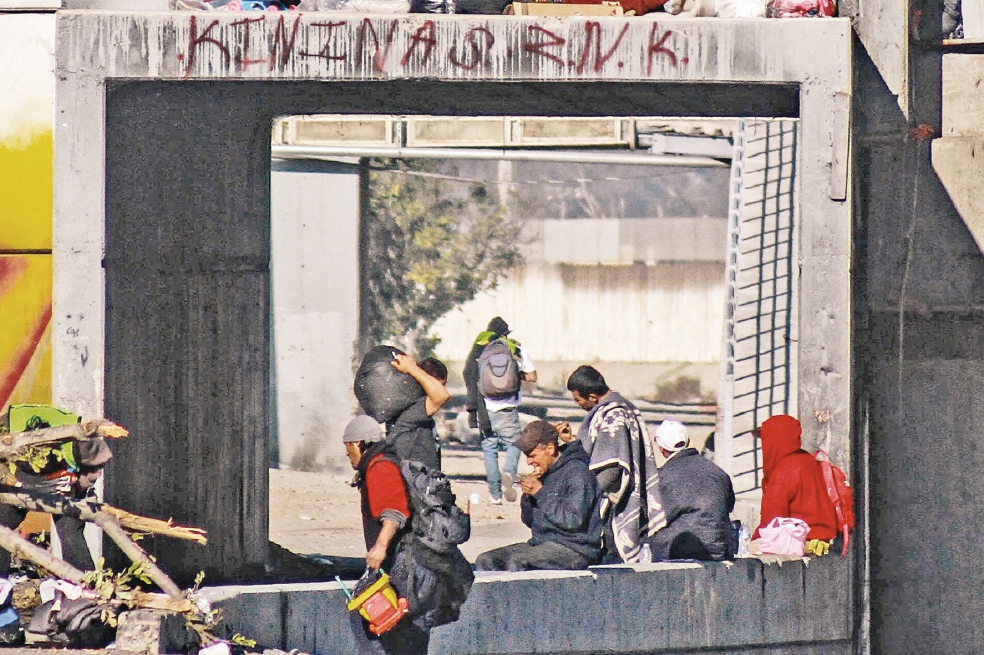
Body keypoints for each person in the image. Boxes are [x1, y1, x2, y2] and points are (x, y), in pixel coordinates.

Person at [0, 437, 114, 645]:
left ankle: (87, 607)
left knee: (68, 531)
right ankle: (87, 605)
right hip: (35, 469)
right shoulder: (48, 451)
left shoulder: (71, 452)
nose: (98, 477)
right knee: (5, 529)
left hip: (45, 468)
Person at [342, 415, 430, 655]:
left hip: (405, 560)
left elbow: (395, 510)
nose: (347, 453)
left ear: (359, 443)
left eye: (347, 446)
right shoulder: (383, 462)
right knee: (403, 631)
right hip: (412, 560)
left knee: (375, 625)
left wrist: (380, 547)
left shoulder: (380, 466)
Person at [560, 365, 665, 564]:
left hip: (614, 502)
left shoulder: (613, 414)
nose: (578, 404)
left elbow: (612, 467)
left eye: (578, 399)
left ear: (592, 396)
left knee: (613, 559)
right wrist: (571, 441)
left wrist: (588, 497)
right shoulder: (618, 407)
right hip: (608, 498)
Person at [475, 421, 602, 571]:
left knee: (517, 562)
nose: (529, 462)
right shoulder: (545, 473)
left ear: (550, 449)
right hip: (542, 544)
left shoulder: (578, 472)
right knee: (487, 560)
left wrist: (540, 493)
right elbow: (529, 521)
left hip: (576, 549)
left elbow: (573, 521)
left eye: (532, 455)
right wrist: (528, 497)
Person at [462, 317, 537, 505]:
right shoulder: (515, 348)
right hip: (508, 408)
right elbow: (532, 376)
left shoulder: (479, 348)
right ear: (505, 333)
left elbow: (469, 373)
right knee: (514, 443)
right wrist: (515, 376)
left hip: (485, 409)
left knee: (489, 450)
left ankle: (495, 495)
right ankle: (509, 472)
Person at [644, 421, 735, 561]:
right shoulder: (718, 472)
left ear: (661, 447)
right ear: (688, 441)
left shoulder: (662, 476)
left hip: (678, 551)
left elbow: (652, 517)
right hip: (720, 550)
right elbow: (729, 506)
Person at [754, 414, 838, 546]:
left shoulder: (783, 472)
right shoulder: (806, 460)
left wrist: (753, 541)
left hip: (797, 542)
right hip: (820, 542)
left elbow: (771, 521)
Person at [385, 353, 450, 471]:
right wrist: (412, 368)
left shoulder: (404, 402)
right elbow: (441, 396)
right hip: (414, 480)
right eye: (438, 386)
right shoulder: (414, 407)